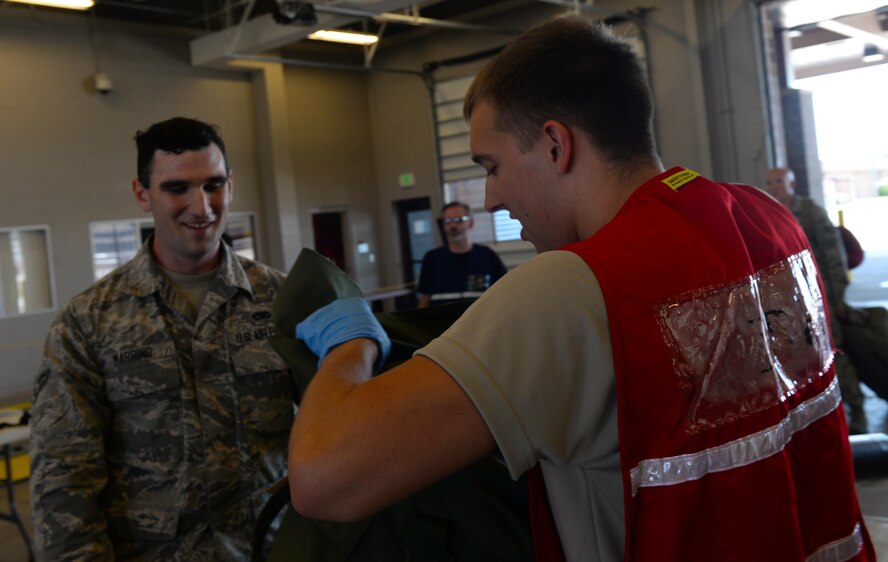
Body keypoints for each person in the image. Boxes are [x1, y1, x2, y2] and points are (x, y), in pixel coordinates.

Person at [287, 15, 874, 562]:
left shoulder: (574, 287)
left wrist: (350, 343)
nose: (491, 198)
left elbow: (322, 479)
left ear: (555, 144)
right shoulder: (770, 221)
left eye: (492, 167)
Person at [29, 117, 296, 561]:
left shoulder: (283, 301)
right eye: (177, 189)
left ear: (230, 185)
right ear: (142, 194)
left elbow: (338, 430)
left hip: (275, 549)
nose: (202, 207)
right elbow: (64, 480)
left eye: (213, 185)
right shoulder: (89, 321)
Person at [765, 167, 868, 434]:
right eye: (770, 183)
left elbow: (835, 257)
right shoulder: (769, 214)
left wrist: (838, 297)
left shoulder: (810, 212)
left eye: (779, 182)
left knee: (836, 354)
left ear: (792, 183)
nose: (774, 187)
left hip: (822, 298)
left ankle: (857, 409)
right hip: (792, 300)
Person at [416, 201, 507, 307]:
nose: (453, 225)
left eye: (458, 220)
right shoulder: (431, 258)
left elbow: (504, 293)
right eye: (448, 221)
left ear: (471, 223)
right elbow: (424, 299)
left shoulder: (487, 256)